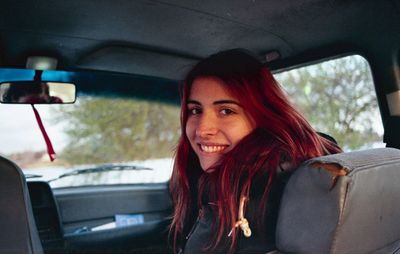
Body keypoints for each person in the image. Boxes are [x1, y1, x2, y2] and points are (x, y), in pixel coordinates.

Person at [169, 49, 342, 254]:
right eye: (195, 110)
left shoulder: (262, 193)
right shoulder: (227, 182)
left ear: (263, 117)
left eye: (226, 111)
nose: (202, 129)